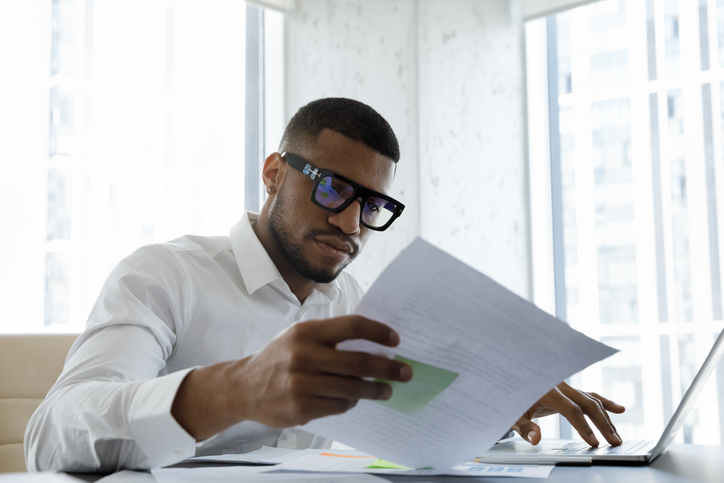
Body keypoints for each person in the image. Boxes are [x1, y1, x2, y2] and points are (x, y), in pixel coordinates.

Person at [25, 98, 625, 473]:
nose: (350, 223)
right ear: (273, 173)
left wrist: (494, 404)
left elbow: (403, 414)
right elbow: (51, 438)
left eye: (372, 205)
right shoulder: (163, 275)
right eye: (333, 189)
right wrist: (235, 389)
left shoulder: (356, 302)